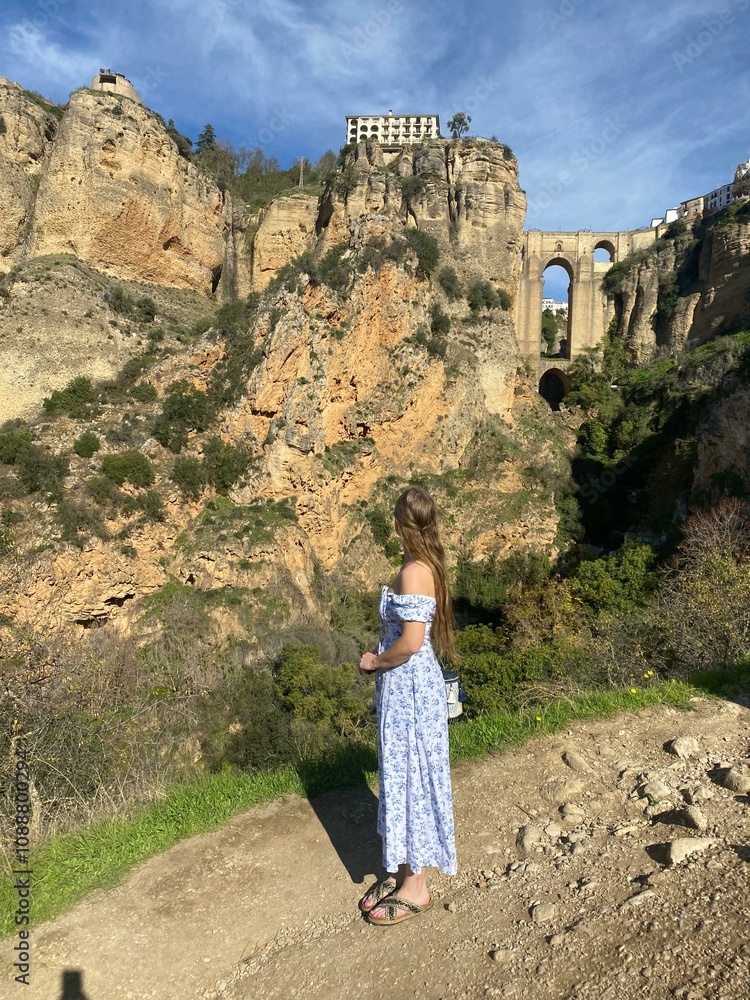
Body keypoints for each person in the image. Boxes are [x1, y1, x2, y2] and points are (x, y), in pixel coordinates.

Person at [357, 486, 458, 925]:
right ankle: (403, 869)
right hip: (409, 689)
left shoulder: (415, 571)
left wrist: (375, 661)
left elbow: (413, 642)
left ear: (402, 522)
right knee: (402, 773)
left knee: (410, 775)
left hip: (409, 690)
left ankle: (415, 888)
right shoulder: (423, 565)